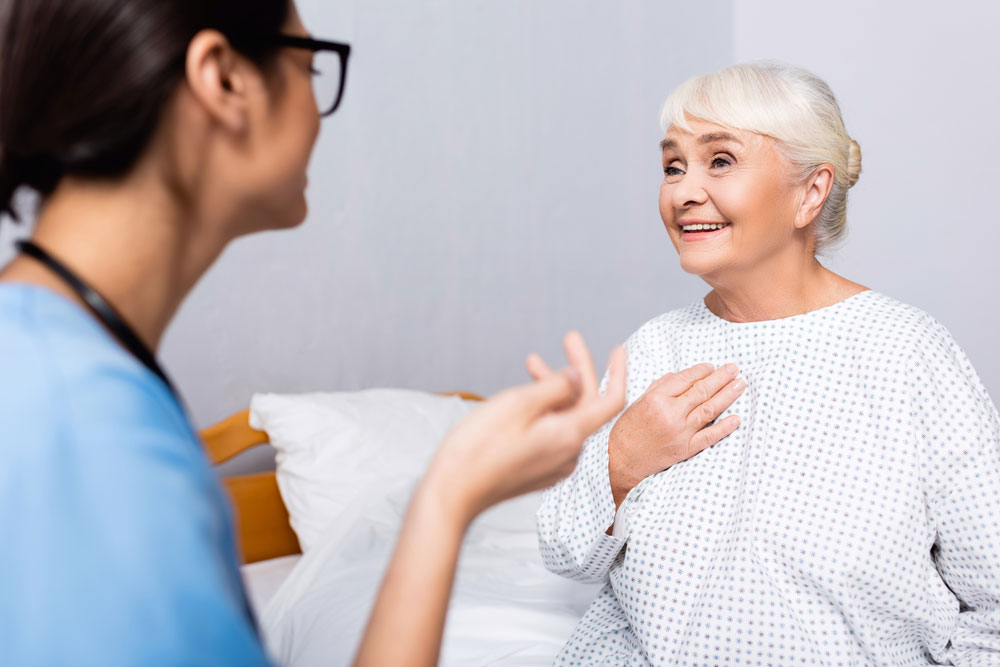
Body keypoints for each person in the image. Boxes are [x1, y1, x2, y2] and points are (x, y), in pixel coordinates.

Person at [0, 1, 703, 665]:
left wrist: (448, 492)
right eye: (309, 63)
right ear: (222, 80)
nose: (316, 110)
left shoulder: (58, 364)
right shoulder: (85, 434)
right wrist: (453, 487)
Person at [536, 61, 1000, 665]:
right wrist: (622, 457)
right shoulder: (657, 348)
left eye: (719, 160)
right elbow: (566, 555)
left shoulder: (908, 354)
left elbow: (992, 607)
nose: (683, 191)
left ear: (811, 191)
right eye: (672, 165)